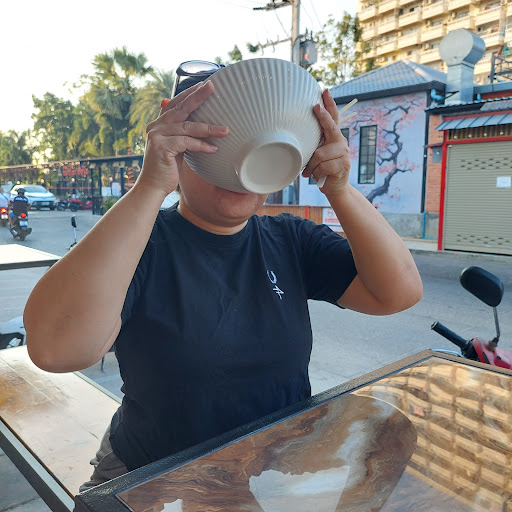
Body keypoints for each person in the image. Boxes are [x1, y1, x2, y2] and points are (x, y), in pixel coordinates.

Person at [24, 60, 423, 491]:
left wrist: (339, 187)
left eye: (253, 141)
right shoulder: (139, 244)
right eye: (215, 142)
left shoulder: (290, 239)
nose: (238, 161)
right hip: (155, 478)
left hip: (270, 477)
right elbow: (56, 349)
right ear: (178, 149)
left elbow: (397, 292)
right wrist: (150, 185)